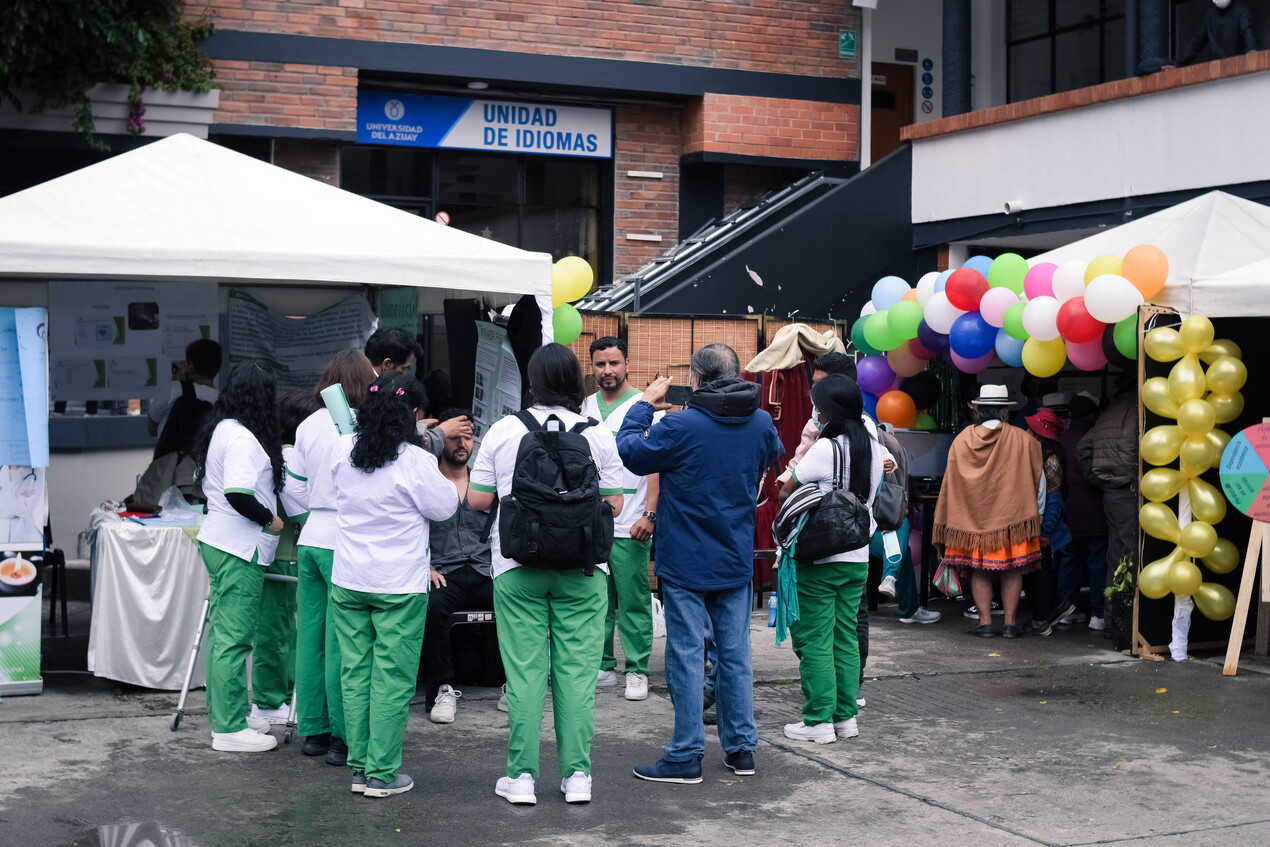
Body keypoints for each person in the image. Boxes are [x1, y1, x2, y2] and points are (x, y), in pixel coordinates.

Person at [467, 343, 626, 806]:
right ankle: (577, 777)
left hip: (516, 566)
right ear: (578, 379)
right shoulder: (597, 433)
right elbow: (614, 503)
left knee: (524, 675)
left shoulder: (502, 430)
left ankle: (520, 778)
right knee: (577, 675)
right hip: (583, 568)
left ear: (532, 382)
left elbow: (477, 500)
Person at [618, 344, 784, 784]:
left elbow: (631, 452)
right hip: (733, 555)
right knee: (735, 656)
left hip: (686, 559)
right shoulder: (761, 421)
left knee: (686, 656)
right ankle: (741, 749)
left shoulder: (680, 424)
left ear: (696, 379)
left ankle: (686, 754)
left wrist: (642, 406)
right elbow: (772, 453)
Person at [329, 370, 459, 798]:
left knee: (356, 673)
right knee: (391, 678)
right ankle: (382, 774)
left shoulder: (342, 450)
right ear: (413, 414)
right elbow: (444, 509)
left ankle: (360, 767)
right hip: (398, 585)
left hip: (348, 580)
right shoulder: (415, 460)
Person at [777, 374, 885, 743]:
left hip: (821, 557)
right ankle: (845, 718)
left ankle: (818, 722)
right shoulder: (874, 448)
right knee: (845, 637)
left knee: (815, 638)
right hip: (857, 557)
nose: (814, 411)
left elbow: (788, 487)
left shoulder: (826, 449)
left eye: (816, 405)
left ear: (826, 410)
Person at [191, 361, 285, 753]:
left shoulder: (222, 429)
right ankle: (228, 728)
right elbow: (238, 493)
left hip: (220, 542)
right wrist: (271, 520)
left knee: (222, 637)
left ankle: (227, 713)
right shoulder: (244, 438)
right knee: (233, 638)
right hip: (238, 548)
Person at [290, 349, 378, 765]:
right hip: (346, 539)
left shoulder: (307, 424)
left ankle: (313, 731)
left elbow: (295, 488)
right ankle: (344, 737)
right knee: (346, 643)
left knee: (310, 640)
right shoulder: (362, 425)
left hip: (310, 537)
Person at [582, 336, 660, 702]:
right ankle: (602, 664)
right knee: (597, 598)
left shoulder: (647, 405)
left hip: (632, 521)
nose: (607, 371)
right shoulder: (584, 408)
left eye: (614, 363)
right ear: (592, 366)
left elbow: (657, 465)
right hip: (594, 520)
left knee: (632, 599)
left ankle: (637, 669)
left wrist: (650, 513)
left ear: (627, 363)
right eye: (600, 364)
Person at [934, 384, 1045, 639]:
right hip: (1014, 519)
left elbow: (952, 482)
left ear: (978, 411)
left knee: (979, 569)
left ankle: (984, 624)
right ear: (1005, 411)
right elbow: (1039, 479)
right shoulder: (1023, 439)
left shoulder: (962, 441)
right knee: (1013, 569)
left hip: (972, 521)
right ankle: (1009, 624)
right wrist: (1037, 512)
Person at [248, 388, 318, 727]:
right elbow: (301, 510)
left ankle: (281, 697)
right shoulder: (288, 457)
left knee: (286, 631)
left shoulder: (282, 453)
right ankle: (268, 700)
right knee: (276, 632)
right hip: (284, 554)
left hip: (288, 554)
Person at [424, 407, 495, 725]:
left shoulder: (485, 484)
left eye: (467, 437)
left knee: (516, 600)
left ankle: (510, 683)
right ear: (441, 440)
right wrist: (424, 566)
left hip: (483, 570)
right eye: (454, 437)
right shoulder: (428, 481)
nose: (462, 444)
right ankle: (443, 686)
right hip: (444, 571)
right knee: (432, 605)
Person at [1055, 393, 1108, 630]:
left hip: (1069, 516)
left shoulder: (1061, 441)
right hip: (1095, 515)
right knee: (1098, 565)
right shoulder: (1095, 440)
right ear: (1091, 415)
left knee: (1069, 562)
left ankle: (1068, 610)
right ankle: (1098, 615)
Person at [1079, 372, 1138, 584]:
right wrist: (1131, 478)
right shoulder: (1134, 409)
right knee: (1131, 551)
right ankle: (1126, 608)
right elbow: (1127, 444)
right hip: (1125, 491)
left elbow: (1083, 447)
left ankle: (1112, 612)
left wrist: (1099, 480)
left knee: (1115, 554)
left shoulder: (1108, 413)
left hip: (1110, 493)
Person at [1023, 408, 1075, 637]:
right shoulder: (1037, 454)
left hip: (1044, 526)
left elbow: (1053, 500)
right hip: (1036, 523)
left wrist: (1045, 531)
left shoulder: (1050, 460)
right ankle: (1058, 606)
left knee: (1039, 570)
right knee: (1035, 571)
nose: (1026, 430)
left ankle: (1041, 619)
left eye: (1031, 428)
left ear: (1038, 434)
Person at [148, 338, 222, 438]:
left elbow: (152, 429)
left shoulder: (173, 389)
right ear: (217, 368)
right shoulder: (221, 400)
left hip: (171, 452)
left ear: (190, 367)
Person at [1177, 0, 1257, 65]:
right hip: (1217, 67)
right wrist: (1179, 64)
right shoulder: (1210, 15)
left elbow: (1247, 31)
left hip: (1238, 65)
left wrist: (1251, 51)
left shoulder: (1241, 10)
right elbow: (1197, 42)